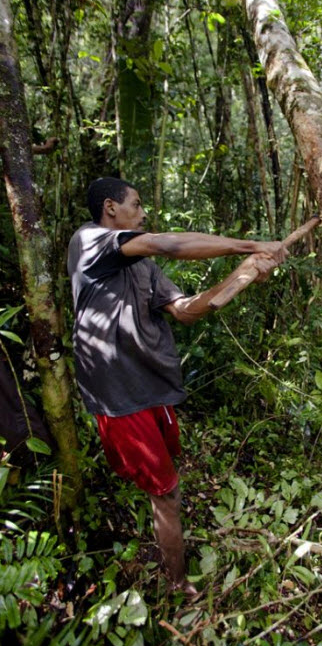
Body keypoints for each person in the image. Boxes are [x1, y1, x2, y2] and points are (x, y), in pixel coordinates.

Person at [67, 176, 288, 596]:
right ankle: (177, 584)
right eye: (136, 203)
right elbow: (163, 242)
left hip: (153, 386)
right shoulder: (89, 241)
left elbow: (187, 311)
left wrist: (242, 275)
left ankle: (169, 550)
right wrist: (248, 245)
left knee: (166, 477)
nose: (143, 212)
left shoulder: (143, 267)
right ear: (111, 207)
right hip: (120, 396)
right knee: (166, 495)